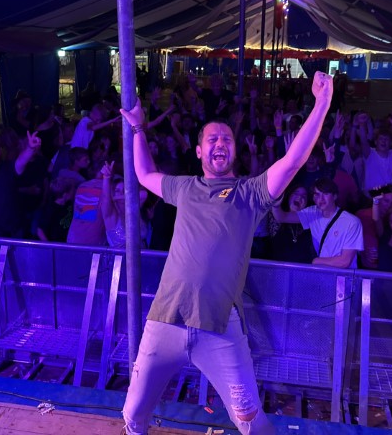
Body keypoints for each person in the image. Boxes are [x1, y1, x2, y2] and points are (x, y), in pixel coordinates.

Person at [118, 70, 333, 435]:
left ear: (235, 149)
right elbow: (143, 174)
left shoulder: (251, 194)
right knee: (134, 414)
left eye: (227, 138)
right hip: (166, 318)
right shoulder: (185, 187)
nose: (220, 142)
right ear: (199, 150)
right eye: (212, 138)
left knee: (249, 420)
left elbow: (292, 161)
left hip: (220, 327)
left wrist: (322, 104)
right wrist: (139, 128)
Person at [272, 177, 363, 268]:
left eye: (325, 194)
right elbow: (282, 217)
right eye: (317, 194)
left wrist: (314, 261)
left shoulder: (351, 222)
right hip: (321, 272)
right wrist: (275, 205)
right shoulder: (312, 213)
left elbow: (344, 262)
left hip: (342, 275)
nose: (321, 199)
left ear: (335, 196)